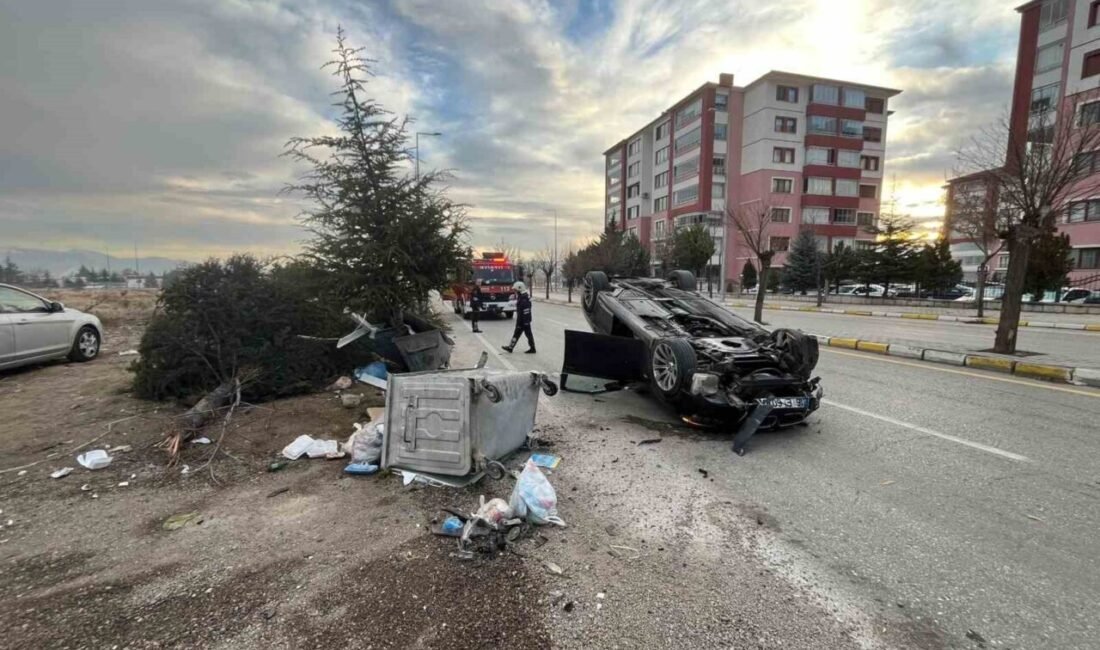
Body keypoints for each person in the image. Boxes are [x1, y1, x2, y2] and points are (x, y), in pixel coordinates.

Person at [502, 281, 535, 354]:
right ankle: (511, 347)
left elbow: (526, 311)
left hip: (524, 321)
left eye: (515, 290)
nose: (515, 291)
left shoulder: (524, 299)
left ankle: (532, 348)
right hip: (522, 320)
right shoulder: (521, 297)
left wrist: (525, 322)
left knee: (527, 334)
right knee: (519, 334)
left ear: (520, 289)